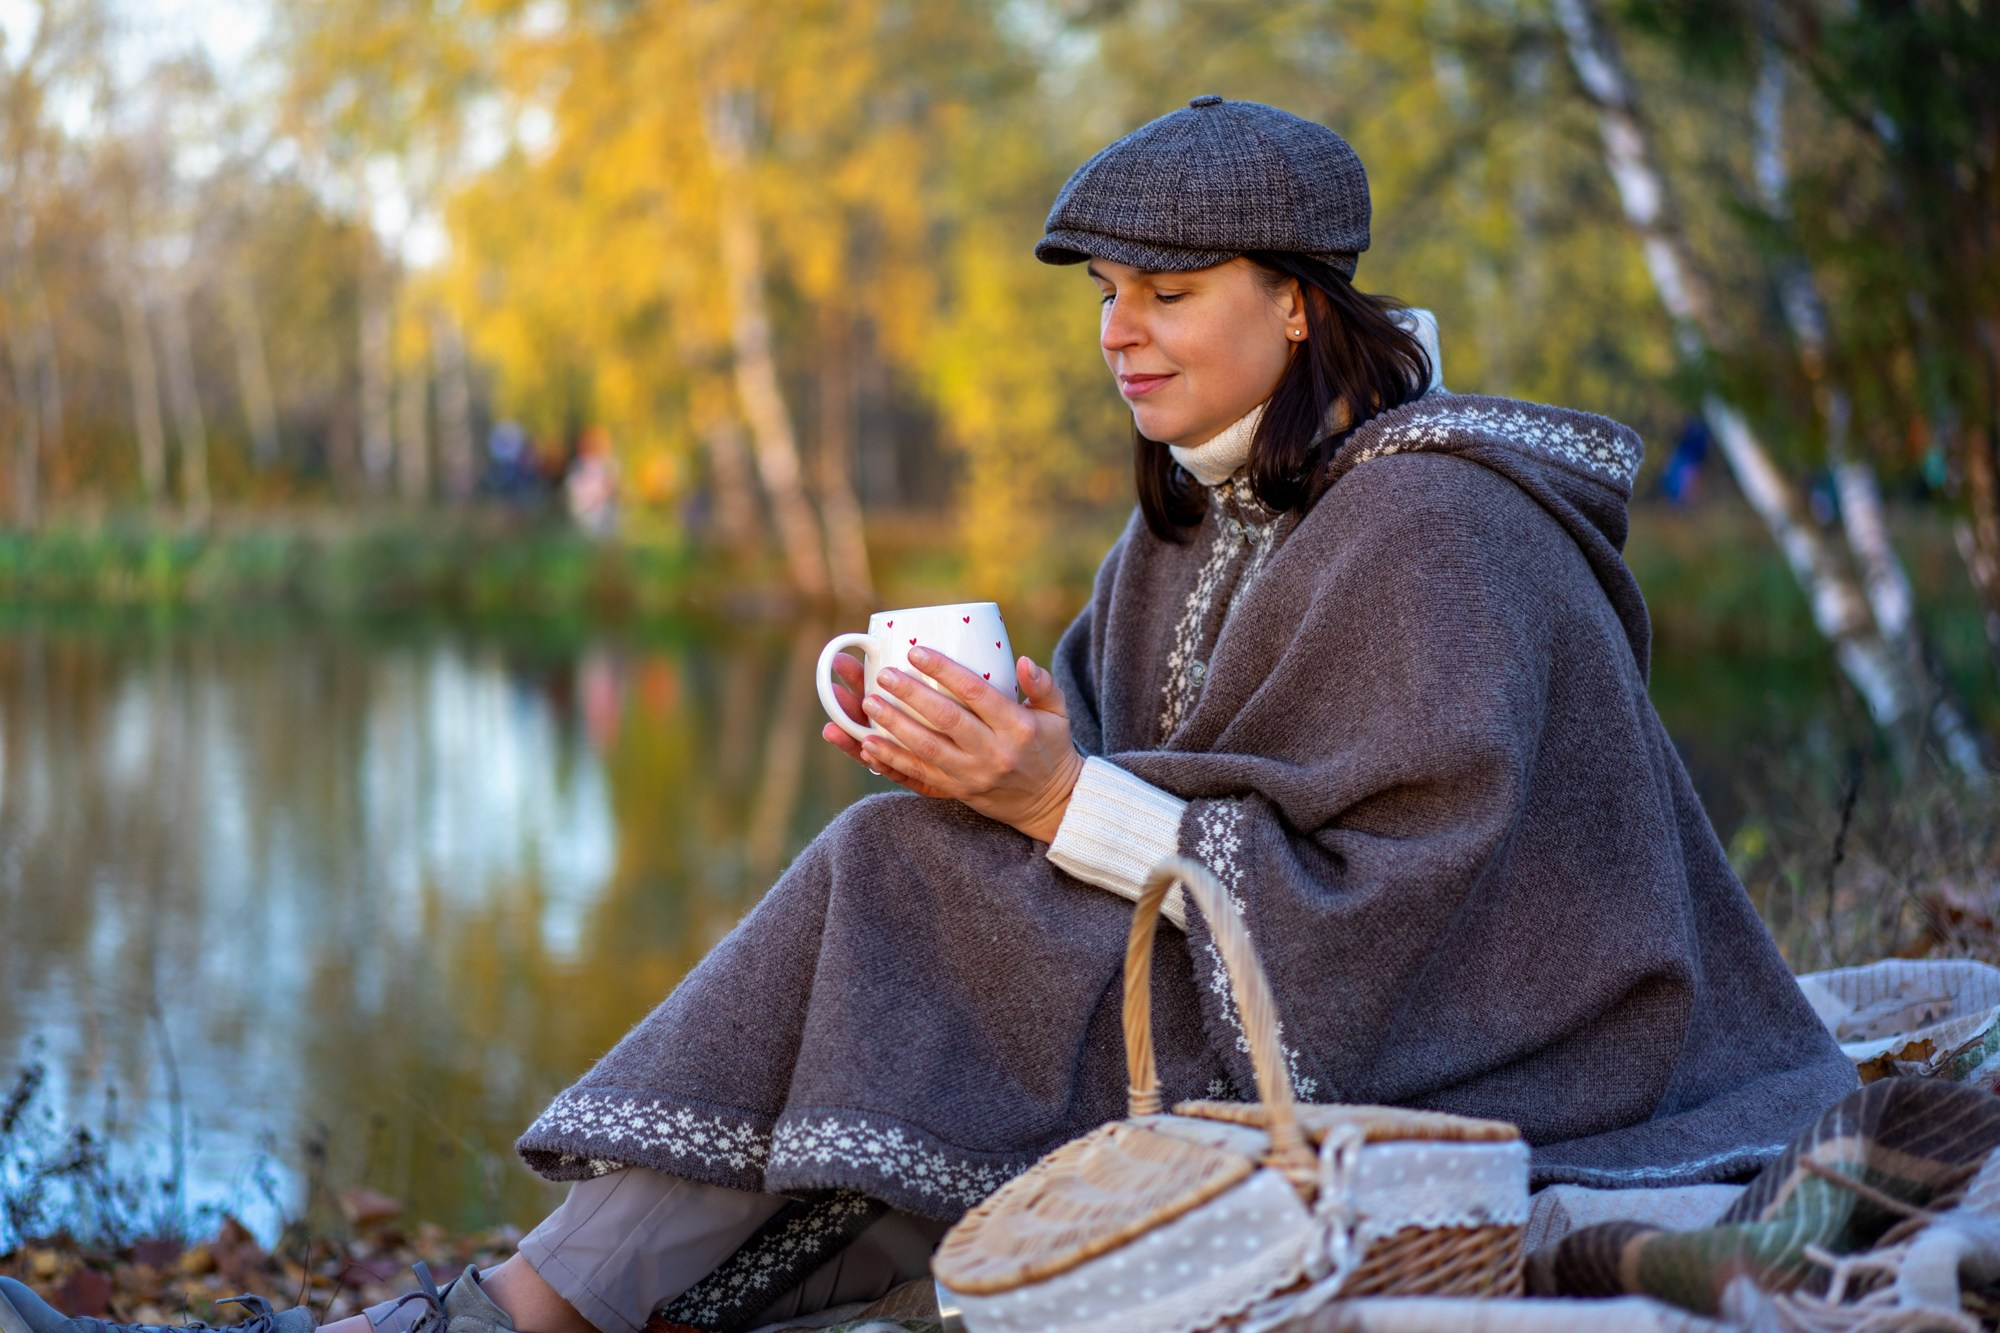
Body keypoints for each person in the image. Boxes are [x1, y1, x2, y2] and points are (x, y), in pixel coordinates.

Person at [0, 97, 1857, 1333]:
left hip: (1510, 1047)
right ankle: (535, 1309)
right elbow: (1139, 761)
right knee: (914, 875)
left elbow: (1403, 909)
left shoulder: (1438, 524)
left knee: (906, 886)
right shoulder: (1214, 497)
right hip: (1260, 978)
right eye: (1107, 295)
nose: (1122, 333)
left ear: (1301, 307)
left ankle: (520, 1317)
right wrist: (1014, 748)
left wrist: (1049, 801)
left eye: (1172, 291)